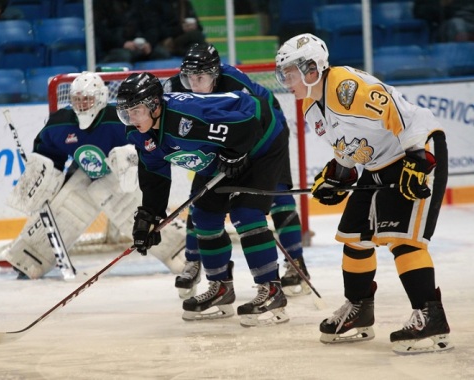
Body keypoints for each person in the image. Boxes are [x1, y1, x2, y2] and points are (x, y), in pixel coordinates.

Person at [275, 33, 452, 354]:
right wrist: (338, 175)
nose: (286, 80)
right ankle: (359, 310)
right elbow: (349, 148)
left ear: (311, 68)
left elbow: (402, 114)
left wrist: (417, 158)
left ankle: (431, 315)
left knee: (403, 240)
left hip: (415, 150)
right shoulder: (312, 108)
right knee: (354, 238)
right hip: (378, 164)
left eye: (289, 72)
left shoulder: (346, 86)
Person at [116, 71, 289, 327]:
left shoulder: (187, 119)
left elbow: (249, 122)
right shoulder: (141, 134)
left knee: (246, 213)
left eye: (136, 110)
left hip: (262, 140)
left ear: (154, 106)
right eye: (126, 112)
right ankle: (220, 288)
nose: (131, 118)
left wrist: (234, 156)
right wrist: (148, 217)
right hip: (220, 151)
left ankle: (272, 290)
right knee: (204, 217)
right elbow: (154, 176)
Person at [0, 72, 186, 279]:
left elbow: (151, 146)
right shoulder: (60, 123)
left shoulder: (121, 119)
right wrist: (41, 174)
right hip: (86, 174)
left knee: (130, 206)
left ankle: (180, 248)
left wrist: (133, 158)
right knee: (69, 207)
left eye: (87, 99)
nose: (82, 104)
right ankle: (31, 257)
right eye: (77, 99)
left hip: (120, 179)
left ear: (100, 97)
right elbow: (48, 152)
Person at [164, 42, 310, 299]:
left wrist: (239, 155)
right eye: (189, 77)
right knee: (201, 196)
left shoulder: (234, 82)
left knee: (275, 195)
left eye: (201, 77)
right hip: (220, 141)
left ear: (215, 74)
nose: (194, 84)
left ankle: (296, 264)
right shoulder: (177, 86)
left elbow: (253, 123)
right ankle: (194, 261)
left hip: (266, 133)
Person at [94, 0, 172, 64]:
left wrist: (149, 43)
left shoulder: (139, 4)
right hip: (116, 47)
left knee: (162, 53)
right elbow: (101, 32)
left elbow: (152, 27)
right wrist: (123, 44)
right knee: (124, 56)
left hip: (140, 46)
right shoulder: (103, 4)